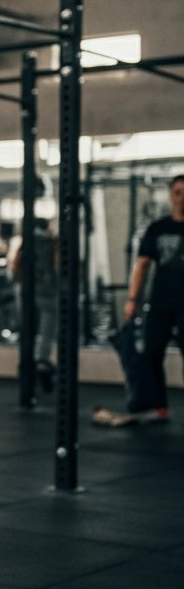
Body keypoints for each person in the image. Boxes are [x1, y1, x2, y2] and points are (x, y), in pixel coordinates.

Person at [123, 174, 184, 421]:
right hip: (160, 304)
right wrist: (132, 299)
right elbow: (142, 265)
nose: (182, 198)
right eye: (178, 192)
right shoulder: (157, 229)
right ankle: (160, 407)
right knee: (152, 353)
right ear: (171, 196)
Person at [12, 218, 58, 391]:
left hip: (27, 291)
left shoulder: (27, 242)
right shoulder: (51, 242)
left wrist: (23, 283)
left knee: (27, 328)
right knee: (47, 328)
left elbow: (15, 267)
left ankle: (26, 362)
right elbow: (58, 265)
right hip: (48, 291)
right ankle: (42, 362)